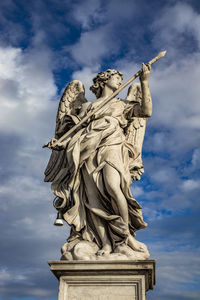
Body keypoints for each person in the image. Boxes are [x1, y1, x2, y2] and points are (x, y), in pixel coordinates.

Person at [44, 63, 152, 258]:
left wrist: (144, 82)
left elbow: (146, 111)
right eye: (115, 76)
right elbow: (74, 133)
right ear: (104, 81)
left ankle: (123, 237)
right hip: (87, 151)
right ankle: (105, 244)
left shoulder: (122, 105)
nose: (119, 79)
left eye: (120, 77)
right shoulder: (86, 107)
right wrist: (60, 144)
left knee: (113, 187)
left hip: (112, 147)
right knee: (92, 199)